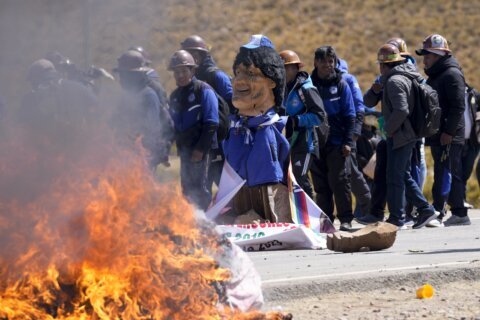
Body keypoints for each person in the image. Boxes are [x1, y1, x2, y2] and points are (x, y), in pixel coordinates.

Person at [220, 35, 291, 224]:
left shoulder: (271, 129)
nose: (238, 81)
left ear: (272, 81)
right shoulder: (236, 129)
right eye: (237, 73)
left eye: (251, 74)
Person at [375, 43, 437, 229]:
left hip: (401, 135)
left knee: (396, 176)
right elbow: (369, 100)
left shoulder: (395, 81)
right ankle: (421, 211)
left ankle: (399, 217)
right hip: (406, 134)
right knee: (402, 175)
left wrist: (388, 129)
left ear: (384, 65)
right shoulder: (402, 77)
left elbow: (401, 110)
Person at [416, 34, 469, 226]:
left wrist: (448, 132)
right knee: (444, 172)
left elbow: (458, 107)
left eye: (428, 55)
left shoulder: (451, 74)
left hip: (450, 135)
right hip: (442, 134)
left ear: (438, 55)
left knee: (447, 173)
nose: (425, 59)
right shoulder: (439, 74)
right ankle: (452, 212)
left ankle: (447, 213)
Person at [310, 45, 356, 231]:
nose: (327, 65)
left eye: (331, 61)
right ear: (316, 62)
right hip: (315, 143)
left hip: (337, 143)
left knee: (339, 181)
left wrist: (347, 142)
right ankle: (326, 220)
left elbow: (350, 115)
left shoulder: (341, 85)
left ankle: (345, 219)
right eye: (323, 61)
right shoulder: (309, 85)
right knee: (321, 185)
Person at [168, 50, 219, 211]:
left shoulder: (204, 90)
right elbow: (175, 125)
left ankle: (206, 227)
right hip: (185, 151)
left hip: (201, 151)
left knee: (201, 189)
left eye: (184, 71)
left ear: (192, 70)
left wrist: (200, 150)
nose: (180, 75)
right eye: (177, 72)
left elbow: (212, 122)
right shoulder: (175, 95)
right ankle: (190, 225)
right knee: (187, 190)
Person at [181, 35, 233, 190]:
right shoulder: (191, 80)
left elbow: (234, 105)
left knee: (225, 185)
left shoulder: (217, 76)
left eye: (192, 54)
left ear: (201, 55)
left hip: (220, 142)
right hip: (201, 141)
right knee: (202, 185)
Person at [111, 50, 170, 172]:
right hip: (126, 152)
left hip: (143, 154)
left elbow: (151, 128)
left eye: (124, 74)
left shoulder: (148, 95)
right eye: (120, 74)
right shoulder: (126, 96)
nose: (121, 79)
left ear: (136, 76)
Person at [280, 49, 326, 198]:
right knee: (285, 179)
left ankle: (308, 217)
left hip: (305, 143)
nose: (281, 72)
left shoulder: (306, 89)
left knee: (299, 177)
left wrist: (296, 121)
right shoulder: (278, 89)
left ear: (295, 68)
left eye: (285, 68)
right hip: (286, 142)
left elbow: (320, 116)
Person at [337, 57, 371, 218]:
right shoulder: (349, 78)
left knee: (350, 171)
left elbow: (358, 106)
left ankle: (366, 204)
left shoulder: (344, 80)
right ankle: (364, 206)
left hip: (343, 133)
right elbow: (360, 106)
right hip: (347, 133)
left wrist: (354, 132)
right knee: (350, 171)